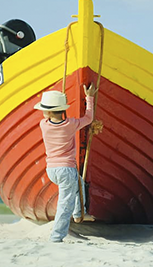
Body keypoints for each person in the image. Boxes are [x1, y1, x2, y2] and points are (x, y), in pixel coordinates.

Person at [34, 83, 97, 242]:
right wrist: (89, 97)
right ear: (63, 109)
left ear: (47, 112)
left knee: (79, 184)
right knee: (64, 205)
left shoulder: (44, 125)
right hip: (66, 170)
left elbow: (50, 117)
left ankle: (79, 213)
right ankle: (56, 237)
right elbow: (88, 118)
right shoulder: (70, 124)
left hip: (52, 170)